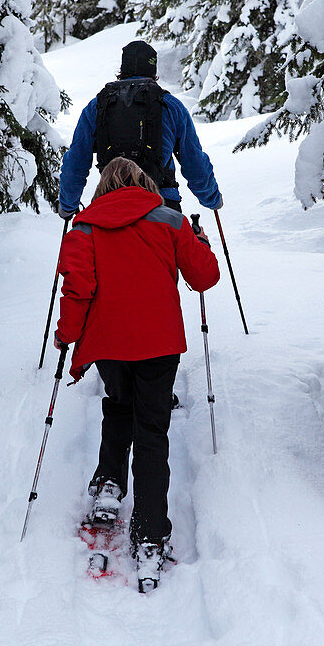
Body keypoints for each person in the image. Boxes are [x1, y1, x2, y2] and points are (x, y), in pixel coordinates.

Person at [53, 157, 220, 589]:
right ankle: (149, 533)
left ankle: (109, 483)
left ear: (103, 187)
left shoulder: (86, 228)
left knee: (118, 406)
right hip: (159, 344)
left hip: (109, 343)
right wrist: (199, 241)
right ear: (145, 183)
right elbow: (203, 278)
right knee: (152, 432)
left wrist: (66, 336)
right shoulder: (169, 219)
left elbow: (77, 288)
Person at [58, 40, 224, 218]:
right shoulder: (171, 106)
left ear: (122, 70)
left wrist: (68, 206)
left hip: (110, 204)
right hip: (162, 204)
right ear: (153, 73)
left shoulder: (97, 105)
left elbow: (75, 162)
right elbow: (194, 161)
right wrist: (212, 199)